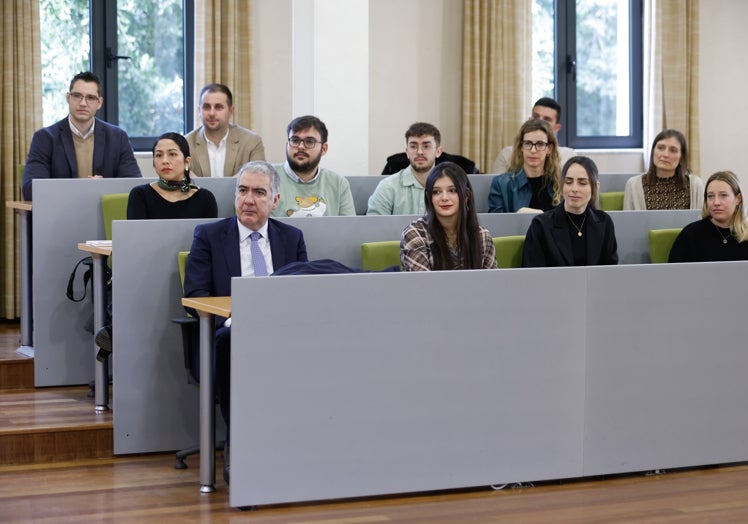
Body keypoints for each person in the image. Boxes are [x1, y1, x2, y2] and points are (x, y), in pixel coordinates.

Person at [183, 160, 307, 483]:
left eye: (259, 192)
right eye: (242, 191)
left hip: (280, 334)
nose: (249, 199)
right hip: (229, 332)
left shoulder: (292, 238)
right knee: (230, 340)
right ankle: (237, 443)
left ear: (275, 201)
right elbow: (195, 293)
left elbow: (303, 293)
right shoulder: (209, 236)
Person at [22, 71, 141, 200]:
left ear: (99, 103)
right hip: (60, 214)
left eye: (90, 97)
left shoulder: (118, 138)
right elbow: (30, 189)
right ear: (68, 98)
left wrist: (103, 187)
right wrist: (81, 188)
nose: (83, 103)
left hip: (104, 216)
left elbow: (134, 186)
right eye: (77, 96)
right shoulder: (44, 138)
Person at [522, 156, 618, 267]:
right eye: (568, 182)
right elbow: (533, 274)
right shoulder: (541, 225)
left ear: (595, 187)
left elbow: (610, 271)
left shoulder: (604, 222)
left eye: (582, 183)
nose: (574, 189)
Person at [400, 162, 497, 271]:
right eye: (436, 192)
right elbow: (424, 285)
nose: (444, 198)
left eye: (452, 190)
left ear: (466, 196)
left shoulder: (482, 236)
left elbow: (492, 284)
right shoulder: (415, 234)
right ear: (429, 198)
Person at [272, 115, 355, 217]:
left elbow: (349, 229)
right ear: (287, 144)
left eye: (309, 141)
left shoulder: (338, 183)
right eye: (295, 140)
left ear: (323, 149)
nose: (301, 147)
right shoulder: (267, 178)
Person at [126, 132, 217, 219]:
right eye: (159, 155)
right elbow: (136, 234)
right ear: (154, 164)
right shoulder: (140, 195)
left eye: (172, 154)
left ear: (187, 162)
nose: (165, 161)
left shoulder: (205, 198)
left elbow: (209, 235)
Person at [184, 83, 265, 177]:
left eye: (218, 107)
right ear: (199, 111)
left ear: (231, 111)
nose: (212, 113)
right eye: (206, 107)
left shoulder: (252, 142)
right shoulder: (185, 144)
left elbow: (259, 178)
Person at [668, 171, 748, 262]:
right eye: (710, 196)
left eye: (723, 195)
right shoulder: (690, 234)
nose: (716, 202)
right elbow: (674, 273)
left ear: (738, 199)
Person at [367, 122, 443, 215]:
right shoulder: (388, 187)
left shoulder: (451, 188)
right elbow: (373, 227)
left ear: (438, 151)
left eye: (426, 146)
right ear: (407, 152)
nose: (419, 152)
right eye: (413, 146)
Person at [488, 119, 562, 213]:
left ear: (549, 149)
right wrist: (518, 218)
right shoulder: (501, 184)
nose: (533, 150)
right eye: (528, 143)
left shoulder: (561, 184)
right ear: (521, 147)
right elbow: (495, 224)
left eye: (540, 144)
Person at [490, 97, 576, 174]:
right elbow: (495, 186)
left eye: (547, 120)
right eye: (535, 117)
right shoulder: (507, 154)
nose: (539, 122)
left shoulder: (568, 156)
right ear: (529, 120)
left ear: (556, 128)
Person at [623, 129, 704, 210]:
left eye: (673, 150)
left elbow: (701, 219)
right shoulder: (633, 185)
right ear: (653, 151)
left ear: (681, 157)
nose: (665, 154)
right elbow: (628, 220)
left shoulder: (695, 185)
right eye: (661, 148)